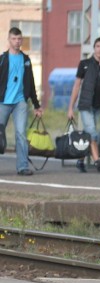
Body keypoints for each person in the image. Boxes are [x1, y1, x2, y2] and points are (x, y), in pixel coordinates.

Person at [67, 37, 100, 173]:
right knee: (91, 131)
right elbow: (76, 86)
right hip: (85, 104)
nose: (99, 49)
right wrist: (70, 108)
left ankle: (80, 160)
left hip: (99, 105)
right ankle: (97, 161)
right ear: (94, 48)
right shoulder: (85, 64)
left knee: (89, 133)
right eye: (97, 46)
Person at [0, 27, 43, 176]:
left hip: (20, 102)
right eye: (14, 39)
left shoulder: (26, 60)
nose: (17, 42)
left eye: (19, 39)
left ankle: (23, 167)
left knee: (21, 134)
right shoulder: (2, 59)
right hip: (3, 102)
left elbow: (30, 83)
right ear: (9, 40)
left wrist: (37, 105)